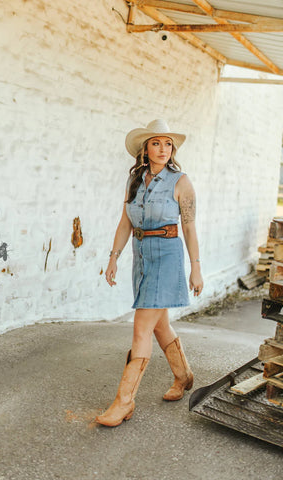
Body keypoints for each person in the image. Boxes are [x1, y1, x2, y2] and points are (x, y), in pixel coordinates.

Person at [95, 119, 203, 427]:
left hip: (168, 256)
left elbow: (190, 228)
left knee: (141, 327)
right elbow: (125, 223)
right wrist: (114, 257)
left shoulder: (181, 181)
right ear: (145, 149)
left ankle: (124, 402)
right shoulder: (135, 181)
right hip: (140, 256)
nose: (163, 149)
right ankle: (183, 377)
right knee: (159, 325)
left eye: (168, 144)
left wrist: (195, 268)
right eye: (156, 143)